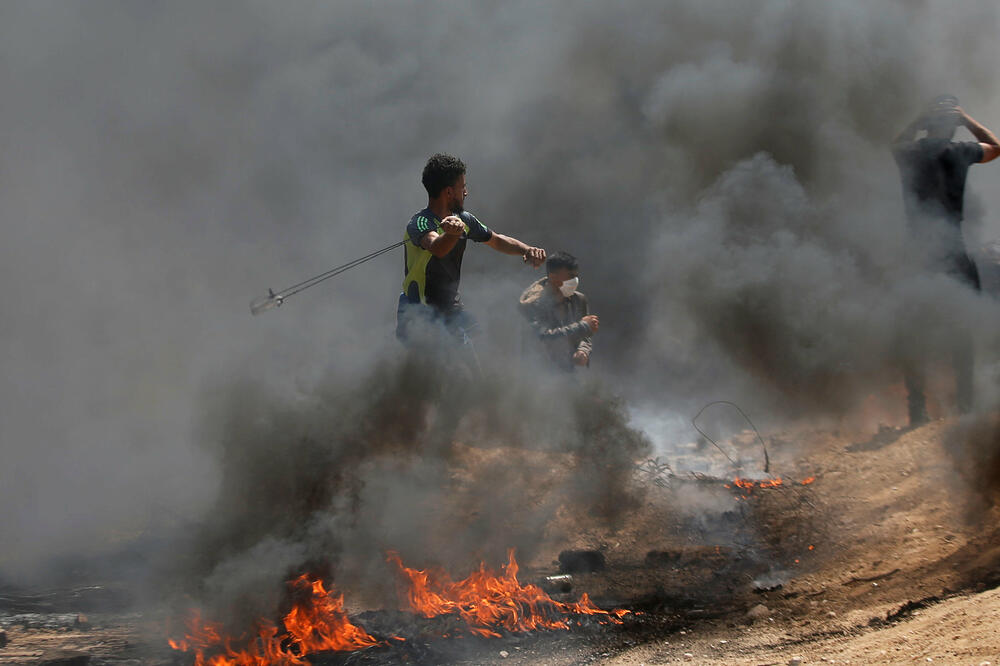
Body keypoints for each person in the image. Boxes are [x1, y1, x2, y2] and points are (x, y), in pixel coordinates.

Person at [892, 95, 1000, 424]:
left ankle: (917, 409)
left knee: (914, 328)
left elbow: (895, 143)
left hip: (918, 252)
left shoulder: (909, 153)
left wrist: (918, 119)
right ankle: (965, 405)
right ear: (952, 127)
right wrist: (966, 118)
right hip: (953, 249)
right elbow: (995, 145)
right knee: (961, 324)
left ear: (927, 125)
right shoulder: (960, 152)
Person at [396, 153, 546, 342]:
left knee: (476, 353)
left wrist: (526, 250)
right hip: (419, 312)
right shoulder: (419, 223)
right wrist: (451, 234)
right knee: (437, 366)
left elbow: (497, 240)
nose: (466, 192)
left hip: (450, 310)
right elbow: (437, 247)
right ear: (449, 192)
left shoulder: (464, 220)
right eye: (463, 187)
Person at [519, 251, 599, 371]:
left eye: (576, 276)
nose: (575, 280)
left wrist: (583, 350)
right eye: (571, 276)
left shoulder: (578, 299)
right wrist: (583, 326)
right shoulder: (533, 304)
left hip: (567, 369)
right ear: (553, 277)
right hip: (536, 372)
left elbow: (585, 335)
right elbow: (541, 338)